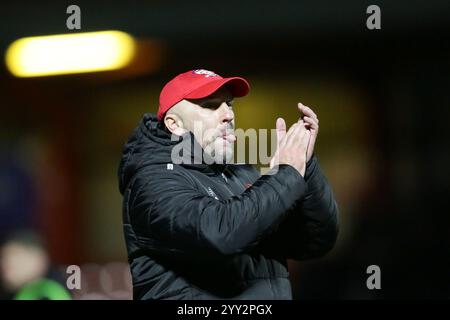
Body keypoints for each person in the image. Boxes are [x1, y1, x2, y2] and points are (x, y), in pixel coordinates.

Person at [118, 69, 339, 300]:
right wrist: (286, 176)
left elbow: (313, 242)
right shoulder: (153, 180)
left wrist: (303, 166)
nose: (228, 115)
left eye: (229, 105)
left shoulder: (242, 175)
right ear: (175, 124)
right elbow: (220, 233)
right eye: (211, 105)